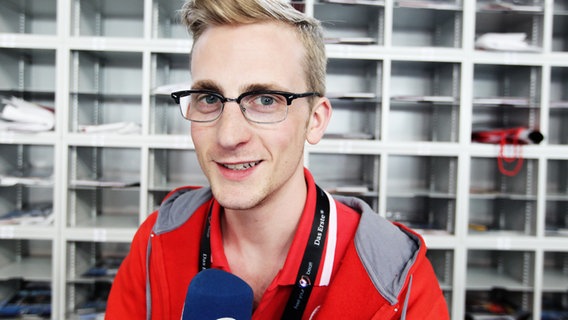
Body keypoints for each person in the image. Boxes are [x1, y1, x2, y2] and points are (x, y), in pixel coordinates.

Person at [105, 0, 450, 319]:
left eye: (266, 100)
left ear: (315, 120)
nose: (228, 136)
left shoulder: (397, 277)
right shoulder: (157, 240)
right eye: (209, 97)